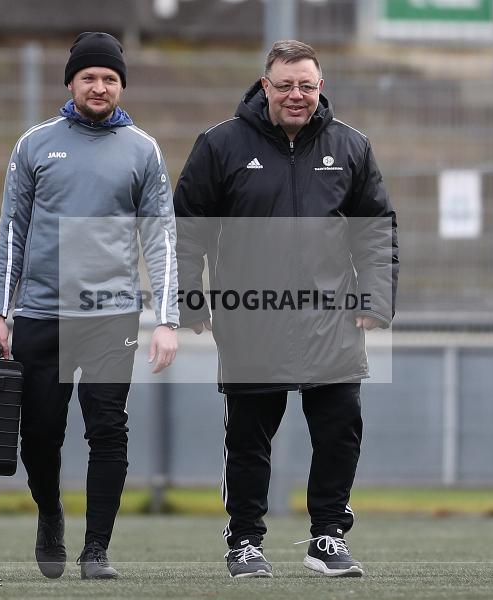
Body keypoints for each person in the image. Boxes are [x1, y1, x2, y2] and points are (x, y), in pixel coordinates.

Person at [174, 40, 398, 578]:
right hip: (252, 321)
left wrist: (377, 296)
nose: (296, 95)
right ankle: (245, 542)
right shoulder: (220, 145)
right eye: (285, 85)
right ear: (265, 86)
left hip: (333, 322)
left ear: (320, 87)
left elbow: (376, 232)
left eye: (306, 85)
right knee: (248, 439)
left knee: (339, 431)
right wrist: (188, 299)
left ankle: (327, 537)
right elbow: (184, 230)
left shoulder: (351, 147)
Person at [0, 32, 179, 580]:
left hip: (110, 314)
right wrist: (0, 314)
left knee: (107, 429)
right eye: (90, 77)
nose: (100, 86)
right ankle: (50, 514)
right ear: (71, 82)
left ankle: (97, 550)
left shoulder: (143, 149)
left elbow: (160, 240)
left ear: (121, 86)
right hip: (41, 315)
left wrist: (166, 320)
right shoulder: (35, 145)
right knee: (40, 435)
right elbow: (12, 234)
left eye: (110, 79)